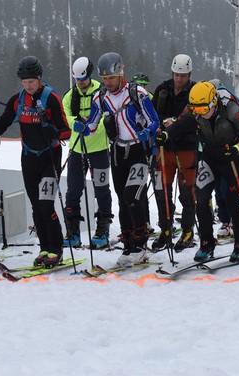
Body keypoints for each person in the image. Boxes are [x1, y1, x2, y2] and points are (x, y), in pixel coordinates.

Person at [74, 52, 159, 266]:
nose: (108, 83)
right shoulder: (100, 97)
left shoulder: (137, 93)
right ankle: (129, 243)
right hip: (118, 151)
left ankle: (140, 244)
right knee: (122, 199)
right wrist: (83, 128)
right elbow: (92, 125)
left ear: (121, 73)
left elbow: (154, 121)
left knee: (133, 196)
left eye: (111, 78)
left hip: (138, 149)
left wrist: (147, 132)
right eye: (104, 79)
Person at [0, 56, 71, 267]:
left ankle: (57, 249)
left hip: (50, 158)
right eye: (24, 82)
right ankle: (44, 247)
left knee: (46, 204)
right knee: (36, 206)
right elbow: (1, 125)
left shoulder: (51, 98)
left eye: (31, 82)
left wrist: (53, 131)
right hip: (28, 158)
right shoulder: (17, 100)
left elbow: (67, 132)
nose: (28, 86)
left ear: (39, 79)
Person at [188, 81, 239, 263]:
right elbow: (183, 122)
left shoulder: (230, 107)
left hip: (231, 155)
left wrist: (236, 149)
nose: (199, 114)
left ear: (213, 103)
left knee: (232, 200)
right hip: (210, 155)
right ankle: (206, 244)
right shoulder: (196, 108)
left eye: (203, 110)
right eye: (196, 110)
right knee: (201, 198)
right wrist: (168, 132)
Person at [61, 56, 113, 249]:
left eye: (83, 79)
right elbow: (67, 117)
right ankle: (73, 232)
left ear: (90, 75)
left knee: (102, 189)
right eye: (77, 80)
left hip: (99, 150)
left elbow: (105, 119)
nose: (80, 83)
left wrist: (89, 126)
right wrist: (76, 124)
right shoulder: (69, 96)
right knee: (73, 190)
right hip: (77, 150)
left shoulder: (102, 93)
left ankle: (103, 230)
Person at [151, 53, 198, 252]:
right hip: (164, 148)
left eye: (184, 75)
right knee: (162, 191)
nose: (180, 79)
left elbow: (196, 119)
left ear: (189, 74)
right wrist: (164, 123)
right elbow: (152, 115)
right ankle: (166, 229)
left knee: (187, 192)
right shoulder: (162, 89)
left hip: (186, 148)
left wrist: (175, 125)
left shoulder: (196, 91)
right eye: (177, 75)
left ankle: (187, 231)